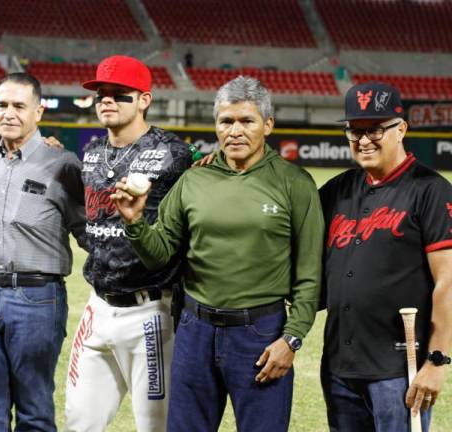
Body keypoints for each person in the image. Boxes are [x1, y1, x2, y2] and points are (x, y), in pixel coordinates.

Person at [114, 76, 324, 431]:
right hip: (195, 329)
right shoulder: (194, 180)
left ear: (268, 125)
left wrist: (291, 338)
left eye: (247, 121)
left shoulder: (294, 183)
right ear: (216, 125)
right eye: (226, 121)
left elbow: (309, 274)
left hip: (261, 333)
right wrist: (135, 222)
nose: (235, 131)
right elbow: (160, 254)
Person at [0, 72, 86, 431]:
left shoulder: (62, 163)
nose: (8, 113)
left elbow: (87, 231)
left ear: (38, 112)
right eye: (2, 105)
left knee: (35, 411)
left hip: (37, 297)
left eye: (19, 106)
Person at [64, 55, 191, 431]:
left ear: (144, 100)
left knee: (156, 426)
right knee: (79, 421)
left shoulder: (174, 154)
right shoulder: (92, 152)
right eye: (101, 93)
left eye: (119, 94)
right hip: (97, 308)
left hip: (150, 312)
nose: (107, 100)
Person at [319, 82, 452, 432]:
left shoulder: (431, 190)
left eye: (376, 129)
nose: (364, 140)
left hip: (399, 368)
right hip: (339, 367)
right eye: (355, 130)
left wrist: (437, 361)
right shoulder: (338, 189)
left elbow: (447, 282)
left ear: (401, 129)